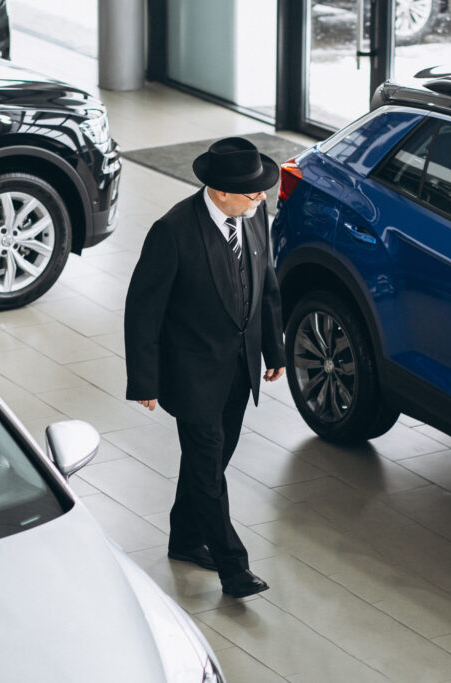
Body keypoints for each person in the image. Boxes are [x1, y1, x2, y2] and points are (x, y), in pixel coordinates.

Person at [124, 137, 285, 599]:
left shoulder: (254, 219)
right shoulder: (172, 230)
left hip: (239, 369)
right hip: (192, 375)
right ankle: (234, 569)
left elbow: (267, 286)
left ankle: (185, 539)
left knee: (209, 464)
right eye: (252, 191)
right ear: (219, 191)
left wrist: (273, 351)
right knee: (209, 468)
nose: (261, 197)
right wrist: (145, 379)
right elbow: (143, 309)